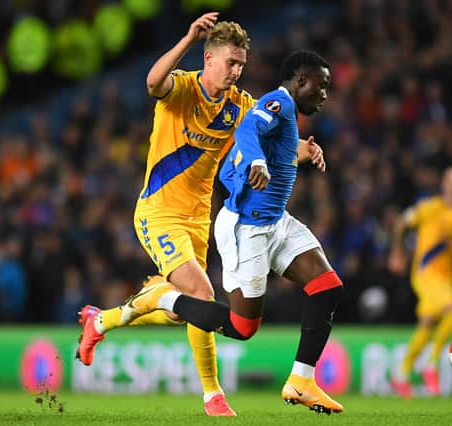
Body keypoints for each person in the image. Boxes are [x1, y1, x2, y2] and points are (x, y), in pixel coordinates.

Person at [76, 13, 323, 416]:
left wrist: (304, 151)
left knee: (184, 311)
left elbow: (266, 145)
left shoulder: (239, 106)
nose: (237, 71)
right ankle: (213, 395)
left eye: (241, 64)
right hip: (158, 211)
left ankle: (103, 321)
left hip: (198, 218)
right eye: (230, 62)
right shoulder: (183, 88)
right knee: (201, 296)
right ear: (208, 59)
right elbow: (153, 83)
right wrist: (187, 38)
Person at [387, 166, 452, 398]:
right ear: (444, 183)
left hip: (446, 277)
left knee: (427, 324)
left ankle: (401, 374)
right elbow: (401, 223)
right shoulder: (428, 208)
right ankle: (430, 363)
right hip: (424, 274)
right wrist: (397, 253)